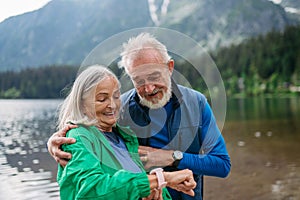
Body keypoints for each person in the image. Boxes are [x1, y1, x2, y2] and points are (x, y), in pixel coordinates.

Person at [48, 33, 231, 200]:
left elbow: (222, 164)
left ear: (170, 67)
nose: (149, 88)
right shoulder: (120, 110)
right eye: (139, 80)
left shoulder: (197, 103)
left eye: (154, 76)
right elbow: (89, 134)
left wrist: (173, 157)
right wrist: (58, 140)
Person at [54, 65, 196, 200]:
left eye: (116, 96)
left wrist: (155, 192)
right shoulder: (77, 137)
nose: (112, 105)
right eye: (102, 99)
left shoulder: (124, 138)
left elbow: (132, 187)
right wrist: (162, 178)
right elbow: (90, 191)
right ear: (82, 104)